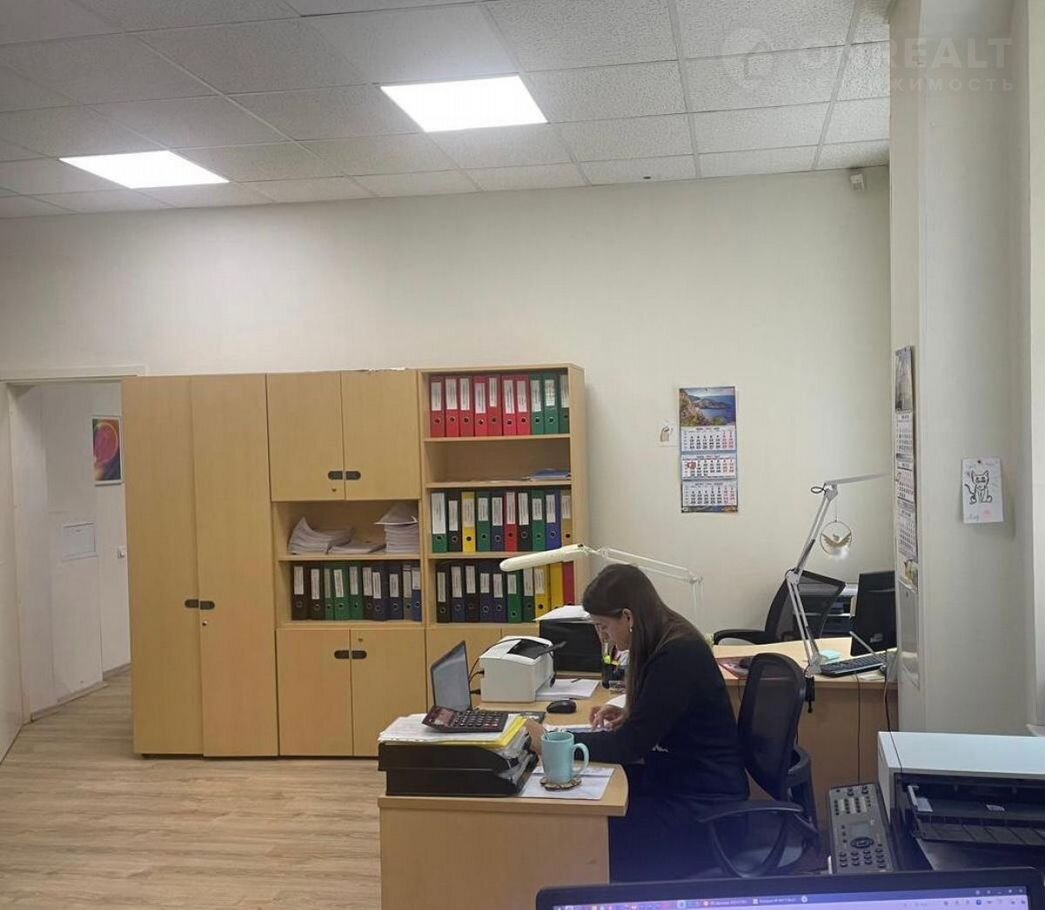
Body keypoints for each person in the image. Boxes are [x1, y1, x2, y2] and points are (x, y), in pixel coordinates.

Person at [524, 564, 748, 881]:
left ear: (628, 617)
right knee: (584, 811)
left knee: (586, 834)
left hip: (706, 809)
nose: (602, 636)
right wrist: (634, 714)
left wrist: (550, 741)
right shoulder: (666, 636)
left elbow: (628, 746)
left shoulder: (677, 654)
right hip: (681, 780)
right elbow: (661, 718)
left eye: (603, 626)